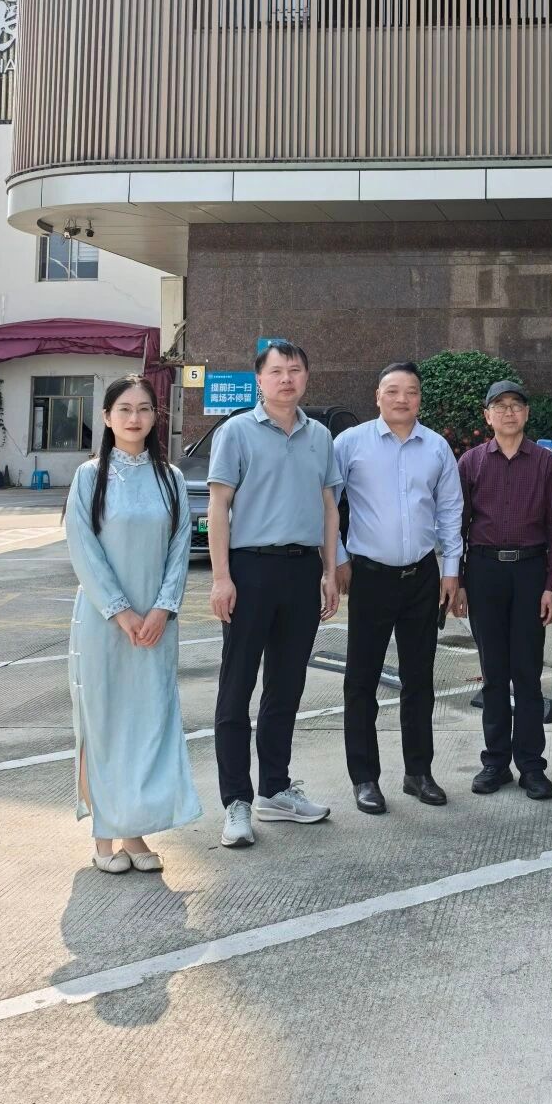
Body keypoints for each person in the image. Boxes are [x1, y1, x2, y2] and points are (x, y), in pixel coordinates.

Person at [207, 340, 342, 850]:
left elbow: (329, 508)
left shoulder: (320, 436)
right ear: (259, 380)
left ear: (306, 377)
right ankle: (236, 802)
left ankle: (275, 790)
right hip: (250, 569)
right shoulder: (237, 431)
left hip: (302, 570)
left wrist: (329, 570)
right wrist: (221, 577)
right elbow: (218, 507)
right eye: (277, 371)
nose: (287, 379)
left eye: (296, 370)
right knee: (236, 687)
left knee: (286, 687)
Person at [65, 374, 201, 873]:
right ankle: (105, 835)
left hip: (157, 624)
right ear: (106, 417)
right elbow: (83, 549)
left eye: (144, 409)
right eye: (124, 409)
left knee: (147, 722)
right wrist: (121, 610)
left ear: (154, 417)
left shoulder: (170, 478)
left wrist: (163, 608)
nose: (134, 417)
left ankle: (135, 834)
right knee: (103, 723)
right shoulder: (90, 476)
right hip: (105, 622)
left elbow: (180, 547)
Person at [334, 362, 463, 815]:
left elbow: (450, 510)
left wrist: (451, 570)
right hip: (369, 577)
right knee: (361, 680)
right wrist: (338, 557)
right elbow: (326, 502)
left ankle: (418, 772)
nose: (402, 399)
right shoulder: (350, 444)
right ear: (377, 396)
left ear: (420, 398)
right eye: (392, 391)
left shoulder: (437, 447)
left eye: (411, 391)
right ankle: (364, 778)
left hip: (422, 578)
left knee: (419, 679)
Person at [456, 380, 552, 801]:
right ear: (487, 416)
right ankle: (496, 762)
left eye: (516, 405)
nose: (508, 412)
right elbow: (457, 524)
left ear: (526, 413)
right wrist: (458, 580)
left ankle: (532, 766)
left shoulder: (545, 463)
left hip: (530, 571)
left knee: (527, 672)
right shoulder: (471, 462)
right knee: (494, 672)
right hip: (484, 570)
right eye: (499, 406)